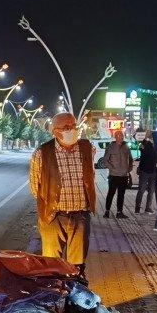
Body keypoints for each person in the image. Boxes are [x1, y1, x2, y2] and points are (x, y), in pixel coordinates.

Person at [30, 111, 97, 270]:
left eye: (74, 125)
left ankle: (74, 291)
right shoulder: (42, 153)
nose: (72, 129)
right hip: (53, 217)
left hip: (80, 216)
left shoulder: (88, 149)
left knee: (77, 265)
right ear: (55, 131)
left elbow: (91, 177)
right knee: (53, 264)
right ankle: (55, 293)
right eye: (66, 127)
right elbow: (35, 188)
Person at [102, 129, 133, 219]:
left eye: (122, 136)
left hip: (123, 175)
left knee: (121, 195)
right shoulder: (111, 147)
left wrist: (129, 168)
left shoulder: (126, 146)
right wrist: (112, 168)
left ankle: (119, 212)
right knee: (111, 193)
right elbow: (105, 160)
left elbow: (130, 158)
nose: (121, 137)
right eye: (119, 136)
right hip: (113, 175)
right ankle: (107, 211)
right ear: (115, 137)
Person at [133, 129, 156, 214]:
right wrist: (145, 139)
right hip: (144, 170)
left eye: (150, 133)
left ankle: (148, 207)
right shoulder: (144, 143)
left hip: (153, 171)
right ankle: (137, 208)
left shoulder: (155, 143)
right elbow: (141, 148)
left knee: (151, 190)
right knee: (141, 189)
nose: (149, 134)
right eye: (148, 133)